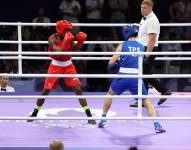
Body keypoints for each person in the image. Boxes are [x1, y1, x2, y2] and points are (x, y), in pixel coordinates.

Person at [98, 25, 166, 133]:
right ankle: (157, 125)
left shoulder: (122, 45)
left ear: (126, 33)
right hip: (136, 78)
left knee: (110, 94)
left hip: (123, 75)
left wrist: (116, 65)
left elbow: (111, 62)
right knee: (146, 101)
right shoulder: (141, 46)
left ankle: (103, 119)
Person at [28, 20, 96, 125]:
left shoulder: (70, 36)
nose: (68, 32)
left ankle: (89, 115)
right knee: (45, 90)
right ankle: (34, 113)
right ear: (60, 29)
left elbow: (74, 50)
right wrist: (66, 41)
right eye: (66, 30)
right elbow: (58, 52)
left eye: (69, 30)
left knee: (78, 90)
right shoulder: (52, 38)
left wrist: (80, 43)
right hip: (55, 65)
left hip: (68, 65)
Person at [130, 0, 171, 107]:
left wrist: (147, 54)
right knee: (143, 75)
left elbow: (152, 39)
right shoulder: (145, 18)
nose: (142, 9)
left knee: (144, 74)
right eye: (141, 7)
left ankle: (164, 90)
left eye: (144, 8)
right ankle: (143, 100)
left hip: (149, 49)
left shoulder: (152, 20)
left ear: (150, 8)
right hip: (143, 49)